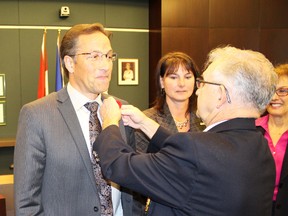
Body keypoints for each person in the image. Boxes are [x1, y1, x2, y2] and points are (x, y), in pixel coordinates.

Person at [93, 46, 277, 216]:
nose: (197, 91)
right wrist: (145, 124)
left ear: (221, 94)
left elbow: (117, 165)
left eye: (202, 82)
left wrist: (109, 120)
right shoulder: (260, 146)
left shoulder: (196, 150)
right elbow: (198, 160)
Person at [14, 23, 144, 216]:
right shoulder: (37, 115)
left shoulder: (122, 110)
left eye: (109, 56)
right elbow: (27, 203)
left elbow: (133, 184)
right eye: (94, 56)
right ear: (70, 63)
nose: (105, 65)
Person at [136, 51, 205, 154]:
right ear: (162, 82)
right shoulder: (146, 120)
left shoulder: (205, 118)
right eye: (173, 77)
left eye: (187, 77)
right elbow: (137, 164)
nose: (181, 84)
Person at [256, 63, 288, 216]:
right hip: (255, 208)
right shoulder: (251, 129)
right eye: (270, 91)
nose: (274, 97)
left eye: (282, 91)